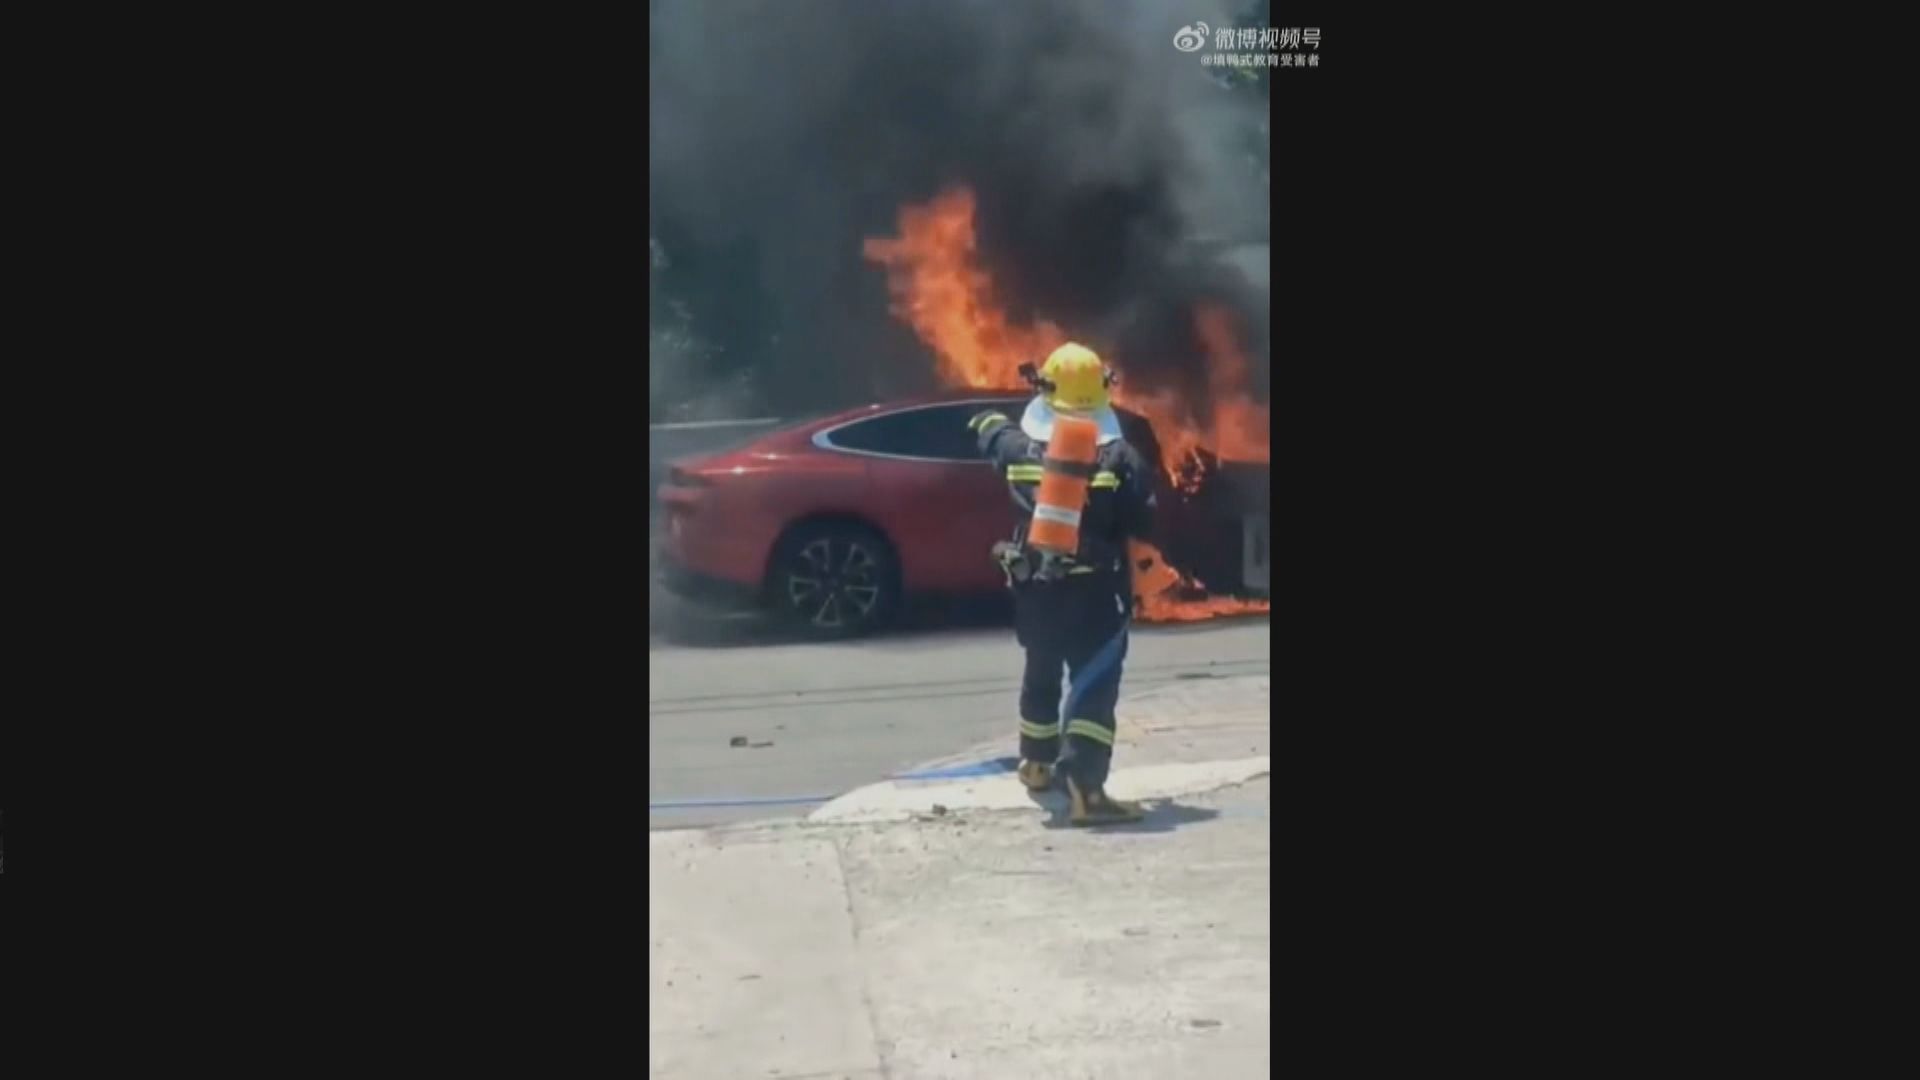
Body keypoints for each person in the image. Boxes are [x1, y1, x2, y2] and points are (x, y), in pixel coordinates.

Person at [969, 342, 1157, 826]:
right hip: (1094, 594)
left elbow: (993, 436)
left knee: (1041, 670)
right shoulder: (1118, 456)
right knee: (1094, 685)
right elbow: (1145, 517)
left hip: (1035, 590)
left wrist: (987, 421)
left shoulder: (1017, 448)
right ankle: (1086, 791)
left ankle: (1036, 763)